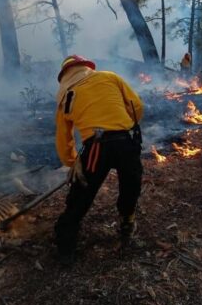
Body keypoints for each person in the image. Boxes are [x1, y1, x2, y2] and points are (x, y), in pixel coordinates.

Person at [54, 55, 144, 264]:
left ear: (65, 75)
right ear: (86, 67)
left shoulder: (66, 95)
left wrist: (72, 161)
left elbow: (63, 136)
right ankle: (127, 221)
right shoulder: (110, 77)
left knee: (80, 196)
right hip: (126, 142)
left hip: (95, 148)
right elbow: (136, 105)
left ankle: (65, 247)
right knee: (131, 185)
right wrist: (126, 125)